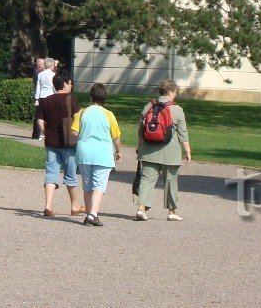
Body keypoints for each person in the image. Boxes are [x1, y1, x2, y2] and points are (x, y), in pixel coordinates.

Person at [135, 78, 191, 221]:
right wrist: (187, 151)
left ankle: (141, 209)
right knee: (171, 181)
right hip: (170, 152)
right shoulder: (177, 109)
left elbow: (141, 129)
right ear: (170, 92)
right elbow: (182, 133)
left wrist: (139, 146)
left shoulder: (148, 106)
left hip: (148, 150)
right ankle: (172, 212)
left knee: (147, 180)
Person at [34, 71, 85, 217]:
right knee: (70, 174)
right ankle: (75, 205)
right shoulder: (71, 100)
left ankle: (48, 205)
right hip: (68, 143)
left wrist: (45, 133)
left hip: (51, 142)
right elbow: (78, 119)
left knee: (51, 173)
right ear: (65, 83)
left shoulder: (46, 100)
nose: (71, 85)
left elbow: (40, 121)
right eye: (70, 83)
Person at [71, 82, 122, 226]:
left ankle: (89, 214)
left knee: (87, 185)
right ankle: (93, 214)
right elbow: (116, 136)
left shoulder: (82, 113)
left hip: (84, 152)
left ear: (91, 96)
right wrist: (118, 150)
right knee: (99, 185)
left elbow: (74, 132)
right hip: (102, 153)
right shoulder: (109, 114)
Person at [29, 58, 46, 138]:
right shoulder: (37, 72)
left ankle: (37, 133)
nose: (44, 65)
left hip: (39, 95)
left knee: (38, 115)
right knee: (38, 115)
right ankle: (37, 133)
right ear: (39, 64)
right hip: (39, 96)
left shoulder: (39, 72)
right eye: (43, 64)